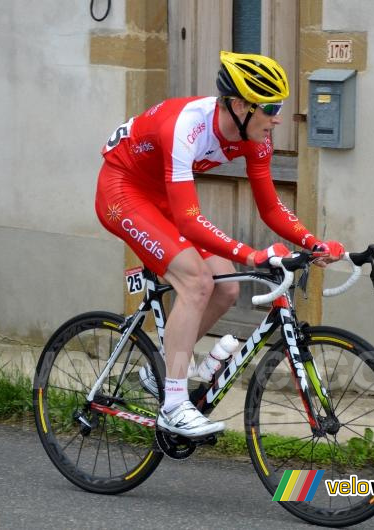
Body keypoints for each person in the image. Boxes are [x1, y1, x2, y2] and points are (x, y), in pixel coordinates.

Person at [95, 51, 344, 438]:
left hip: (157, 196)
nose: (278, 118)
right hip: (122, 190)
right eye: (271, 107)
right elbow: (188, 219)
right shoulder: (187, 127)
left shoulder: (255, 137)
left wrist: (312, 243)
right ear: (241, 105)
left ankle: (158, 371)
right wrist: (252, 254)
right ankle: (174, 406)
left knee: (226, 288)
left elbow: (271, 208)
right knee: (196, 282)